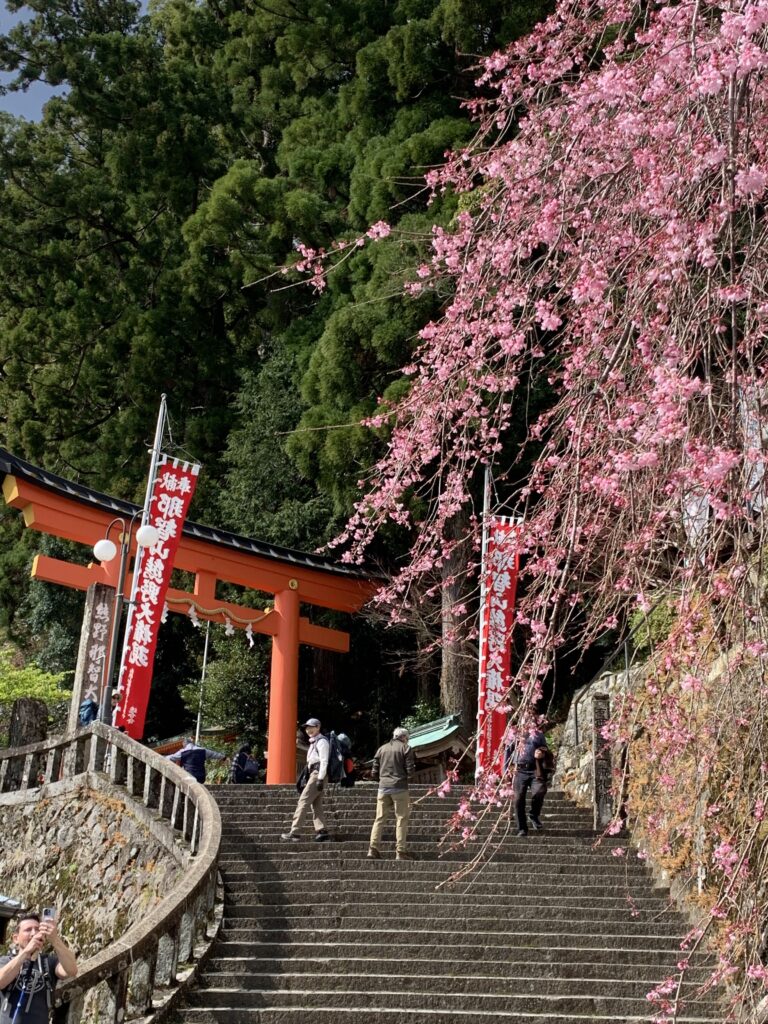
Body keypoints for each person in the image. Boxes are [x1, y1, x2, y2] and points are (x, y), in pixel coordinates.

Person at [0, 911, 78, 1024]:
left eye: (37, 929)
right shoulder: (5, 961)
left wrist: (55, 939)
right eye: (28, 930)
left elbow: (72, 970)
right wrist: (26, 952)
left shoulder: (48, 962)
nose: (33, 933)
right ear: (15, 938)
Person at [368, 726, 416, 861]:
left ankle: (373, 848)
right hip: (400, 787)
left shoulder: (382, 749)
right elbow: (410, 769)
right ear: (404, 737)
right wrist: (408, 777)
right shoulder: (405, 748)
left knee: (379, 819)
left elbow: (374, 771)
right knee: (401, 819)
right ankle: (400, 852)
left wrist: (382, 779)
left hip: (383, 788)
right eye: (407, 738)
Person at [281, 718, 330, 843]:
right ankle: (322, 831)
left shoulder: (322, 741)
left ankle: (295, 832)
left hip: (318, 774)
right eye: (307, 728)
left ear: (318, 727)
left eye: (311, 727)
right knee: (316, 803)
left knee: (303, 801)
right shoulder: (314, 742)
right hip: (315, 773)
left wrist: (319, 778)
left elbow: (324, 761)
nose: (308, 730)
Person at [508, 727, 551, 837]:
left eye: (530, 717)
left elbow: (545, 748)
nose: (528, 720)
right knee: (518, 799)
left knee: (540, 790)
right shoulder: (514, 732)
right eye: (525, 717)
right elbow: (508, 751)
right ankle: (522, 828)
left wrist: (541, 752)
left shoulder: (538, 734)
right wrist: (507, 769)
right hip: (519, 770)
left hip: (535, 769)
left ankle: (533, 814)